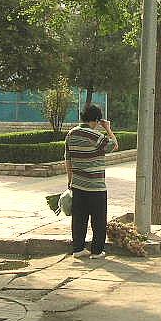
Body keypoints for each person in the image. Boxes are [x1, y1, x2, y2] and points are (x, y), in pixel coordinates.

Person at [64, 104, 119, 260]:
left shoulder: (71, 134)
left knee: (79, 219)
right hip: (96, 186)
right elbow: (114, 145)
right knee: (99, 220)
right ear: (96, 119)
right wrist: (108, 128)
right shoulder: (96, 136)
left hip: (78, 185)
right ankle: (96, 251)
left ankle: (78, 249)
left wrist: (70, 180)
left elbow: (67, 159)